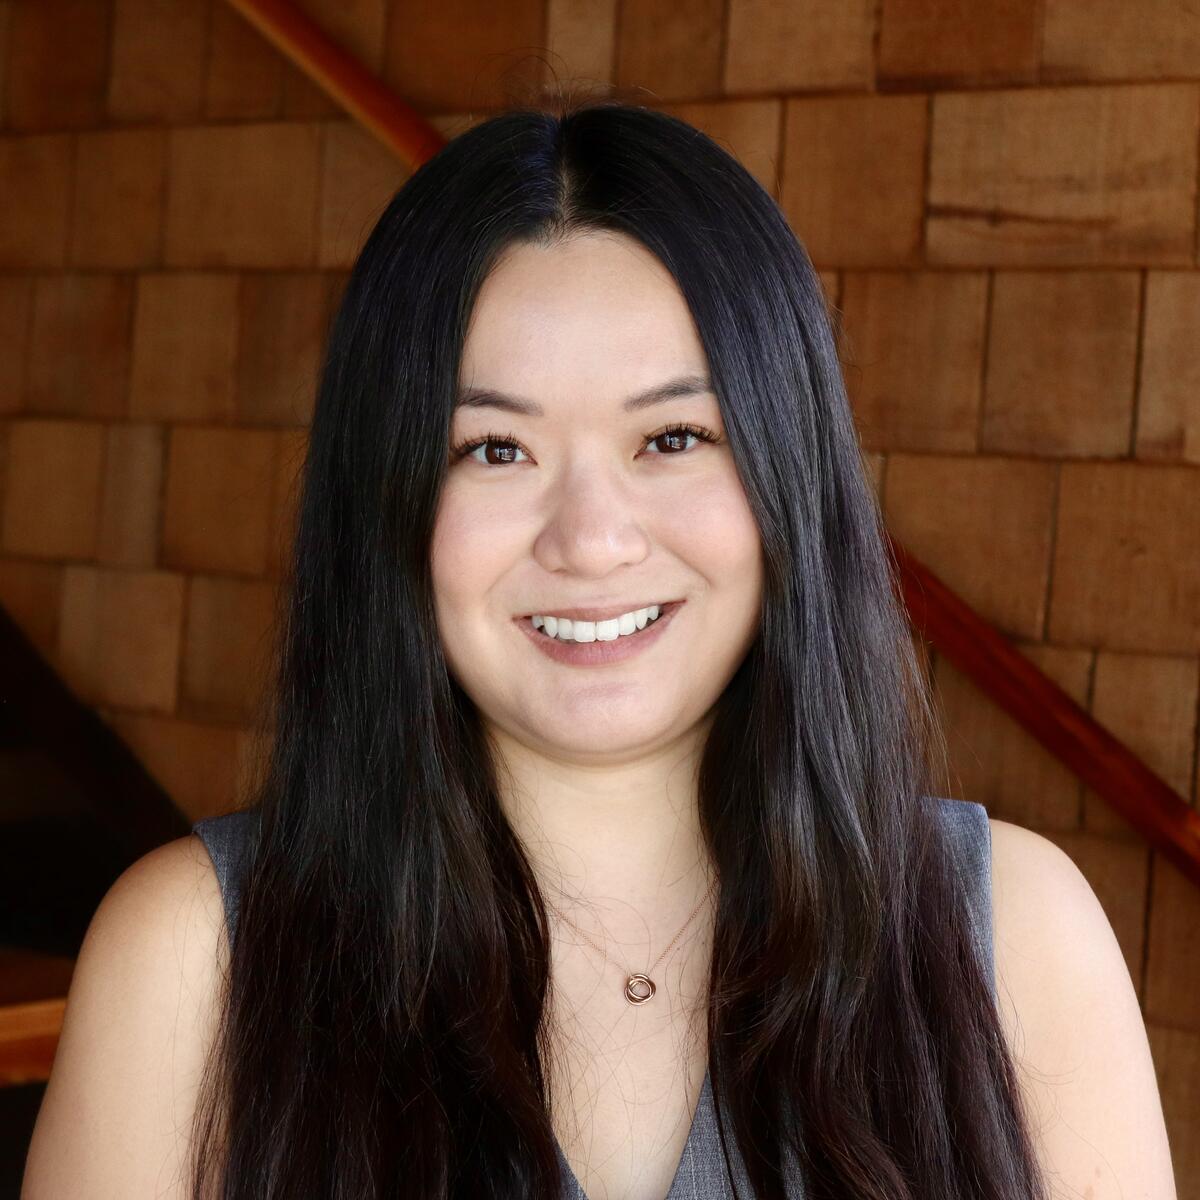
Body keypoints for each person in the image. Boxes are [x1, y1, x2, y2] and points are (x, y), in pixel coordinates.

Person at [21, 97, 1176, 1200]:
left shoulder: (1012, 937)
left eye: (673, 436)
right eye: (495, 450)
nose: (591, 539)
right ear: (386, 501)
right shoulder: (195, 962)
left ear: (788, 474)